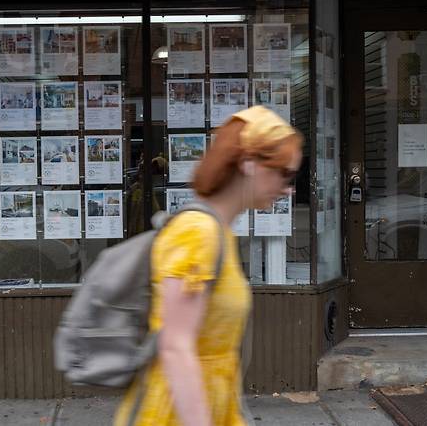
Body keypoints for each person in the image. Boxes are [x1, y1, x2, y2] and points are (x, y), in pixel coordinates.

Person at [114, 106, 303, 426]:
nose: (289, 188)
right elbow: (176, 347)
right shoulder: (197, 234)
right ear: (249, 165)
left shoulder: (218, 232)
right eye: (284, 173)